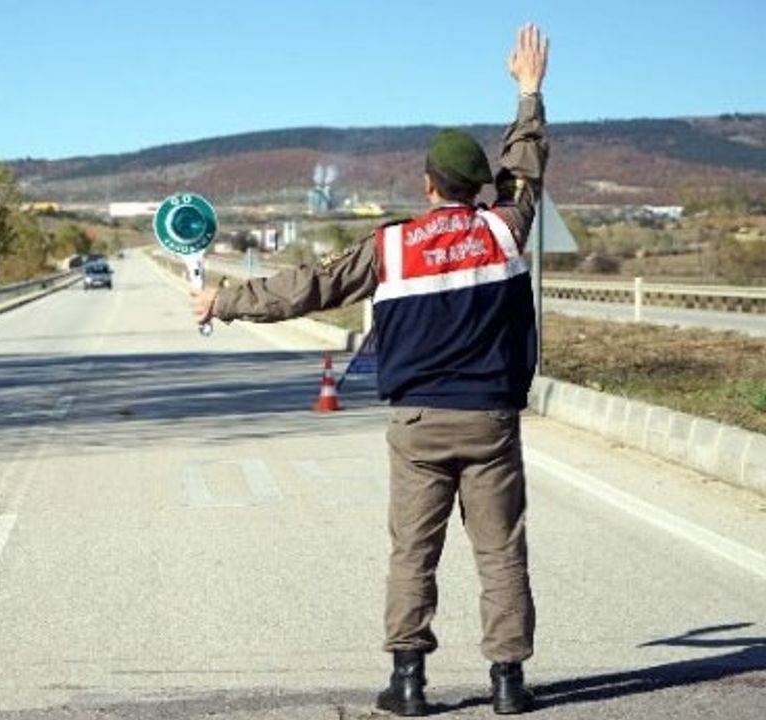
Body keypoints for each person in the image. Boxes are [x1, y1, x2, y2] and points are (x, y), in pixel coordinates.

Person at [190, 23, 550, 717]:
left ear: (426, 184)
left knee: (412, 552)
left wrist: (223, 300)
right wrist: (528, 93)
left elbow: (305, 289)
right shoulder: (506, 227)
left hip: (417, 423)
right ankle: (508, 684)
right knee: (500, 552)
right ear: (478, 188)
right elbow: (527, 168)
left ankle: (409, 685)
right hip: (491, 421)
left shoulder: (390, 249)